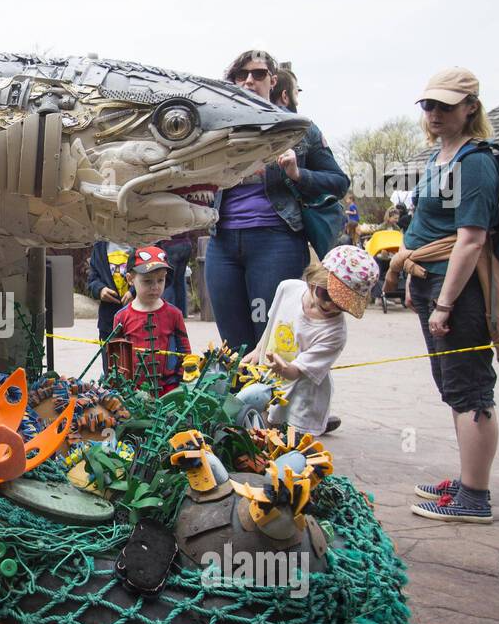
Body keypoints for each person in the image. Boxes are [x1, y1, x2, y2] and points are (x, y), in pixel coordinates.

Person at [398, 67, 499, 524]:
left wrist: (444, 303)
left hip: (455, 287)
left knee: (470, 389)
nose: (435, 113)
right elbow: (426, 225)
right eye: (429, 104)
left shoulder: (475, 161)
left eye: (445, 105)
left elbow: (471, 238)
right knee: (452, 386)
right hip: (427, 277)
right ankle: (466, 478)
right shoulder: (437, 156)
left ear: (470, 107)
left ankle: (475, 496)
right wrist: (410, 278)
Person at [205, 50, 351, 353]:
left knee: (272, 340)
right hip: (221, 243)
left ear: (273, 80)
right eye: (240, 74)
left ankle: (276, 402)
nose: (248, 80)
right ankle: (239, 401)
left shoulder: (299, 128)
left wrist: (298, 174)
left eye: (258, 74)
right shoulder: (215, 128)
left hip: (275, 242)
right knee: (233, 347)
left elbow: (339, 182)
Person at [248, 246, 380, 435]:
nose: (331, 305)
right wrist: (257, 350)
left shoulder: (334, 333)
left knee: (289, 442)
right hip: (273, 380)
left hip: (302, 396)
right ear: (314, 280)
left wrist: (283, 368)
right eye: (327, 295)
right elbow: (273, 323)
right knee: (264, 428)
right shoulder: (288, 288)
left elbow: (296, 373)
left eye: (342, 304)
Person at [111, 246, 191, 395]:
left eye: (160, 280)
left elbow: (185, 351)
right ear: (130, 279)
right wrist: (120, 384)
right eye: (147, 281)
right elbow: (115, 356)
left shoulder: (174, 314)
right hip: (134, 389)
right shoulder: (121, 317)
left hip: (170, 387)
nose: (155, 287)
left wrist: (183, 377)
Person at [87, 240, 133, 341]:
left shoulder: (144, 242)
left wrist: (134, 292)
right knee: (110, 356)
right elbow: (92, 279)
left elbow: (162, 276)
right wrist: (100, 290)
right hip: (108, 322)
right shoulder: (99, 247)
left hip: (138, 321)